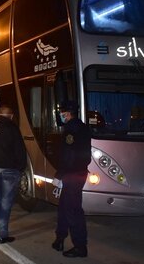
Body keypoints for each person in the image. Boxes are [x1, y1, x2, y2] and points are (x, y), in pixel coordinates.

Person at [52, 100, 91, 258]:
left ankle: (80, 247)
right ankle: (60, 239)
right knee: (64, 207)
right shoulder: (82, 127)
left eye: (62, 112)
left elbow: (68, 155)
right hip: (79, 172)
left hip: (72, 174)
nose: (61, 115)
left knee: (73, 210)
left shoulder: (71, 129)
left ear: (67, 113)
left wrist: (60, 174)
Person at [0, 105, 26, 244]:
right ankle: (3, 234)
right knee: (6, 203)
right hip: (10, 170)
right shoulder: (13, 129)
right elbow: (20, 150)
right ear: (11, 116)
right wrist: (20, 167)